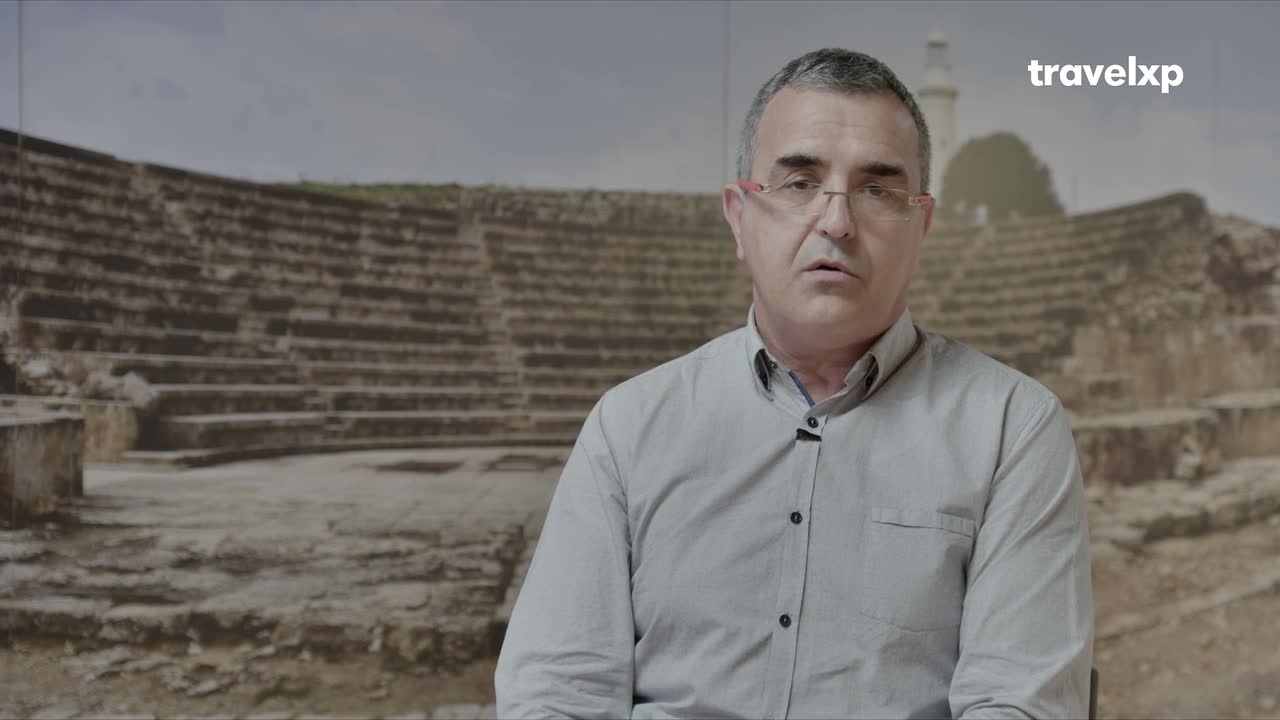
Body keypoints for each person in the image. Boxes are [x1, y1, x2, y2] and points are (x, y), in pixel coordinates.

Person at [495, 47, 1093, 719]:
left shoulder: (1015, 427)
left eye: (877, 190)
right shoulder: (629, 425)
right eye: (800, 182)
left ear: (921, 226)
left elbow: (1019, 703)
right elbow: (557, 693)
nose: (837, 222)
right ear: (739, 216)